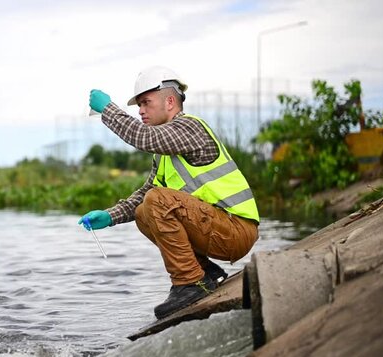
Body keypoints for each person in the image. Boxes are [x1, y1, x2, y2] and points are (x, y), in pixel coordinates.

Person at [78, 66, 260, 320]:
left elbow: (142, 137)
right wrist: (109, 216)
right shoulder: (164, 153)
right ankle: (203, 272)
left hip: (235, 230)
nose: (140, 110)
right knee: (144, 211)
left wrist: (108, 109)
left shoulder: (189, 127)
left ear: (171, 101)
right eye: (139, 105)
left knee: (157, 200)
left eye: (146, 103)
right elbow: (145, 195)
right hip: (218, 230)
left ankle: (188, 283)